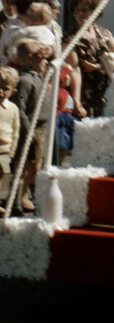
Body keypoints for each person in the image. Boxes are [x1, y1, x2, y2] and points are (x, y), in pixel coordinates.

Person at [13, 36, 53, 213]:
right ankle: (19, 198)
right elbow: (20, 108)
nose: (45, 62)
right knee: (26, 166)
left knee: (36, 165)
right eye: (42, 59)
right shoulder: (24, 82)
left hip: (42, 128)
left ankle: (25, 194)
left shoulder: (39, 78)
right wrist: (28, 132)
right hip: (31, 129)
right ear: (30, 60)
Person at [69, 0, 114, 118]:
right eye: (76, 11)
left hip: (108, 90)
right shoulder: (70, 39)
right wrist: (76, 102)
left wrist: (98, 67)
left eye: (84, 10)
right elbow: (74, 71)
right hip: (86, 92)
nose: (80, 14)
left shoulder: (104, 33)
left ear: (94, 12)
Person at [0, 65, 20, 216]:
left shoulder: (13, 108)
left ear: (12, 92)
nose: (1, 91)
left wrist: (12, 151)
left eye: (5, 88)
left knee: (2, 177)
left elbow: (16, 131)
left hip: (5, 151)